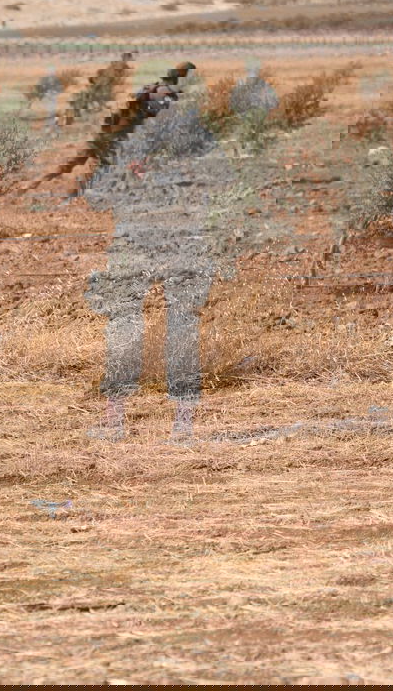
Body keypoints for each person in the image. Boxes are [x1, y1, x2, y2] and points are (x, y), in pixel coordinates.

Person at [81, 63, 272, 444]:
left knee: (155, 326)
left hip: (159, 243)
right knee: (143, 326)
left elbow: (97, 196)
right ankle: (147, 423)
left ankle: (156, 423)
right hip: (157, 242)